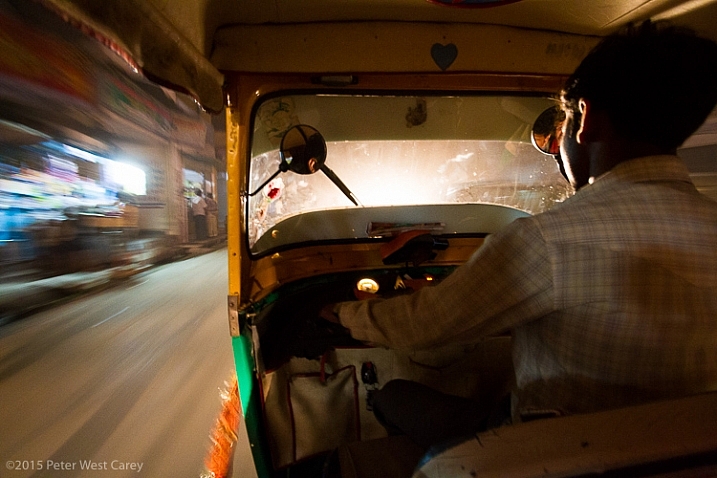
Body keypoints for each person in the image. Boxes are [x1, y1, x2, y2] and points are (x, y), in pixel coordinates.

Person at [320, 21, 717, 449]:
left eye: (561, 124)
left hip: (547, 451)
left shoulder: (548, 241)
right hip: (682, 455)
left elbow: (424, 325)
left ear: (585, 119)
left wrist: (339, 314)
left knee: (395, 395)